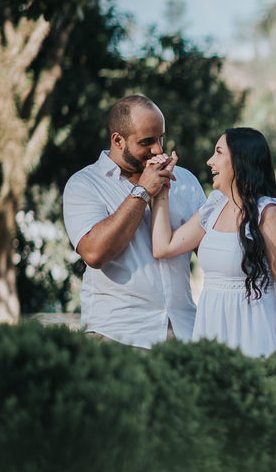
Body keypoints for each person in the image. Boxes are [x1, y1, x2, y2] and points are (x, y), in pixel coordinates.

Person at [62, 95, 206, 347]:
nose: (158, 150)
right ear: (118, 140)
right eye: (146, 142)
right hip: (118, 334)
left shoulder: (185, 180)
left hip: (183, 333)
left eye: (161, 138)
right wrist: (142, 191)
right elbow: (94, 254)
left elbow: (210, 253)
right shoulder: (84, 184)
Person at [150, 127, 276, 357]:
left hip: (254, 334)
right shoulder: (213, 206)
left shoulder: (269, 214)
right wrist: (161, 187)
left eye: (219, 153)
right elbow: (163, 247)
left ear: (241, 161)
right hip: (211, 333)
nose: (210, 161)